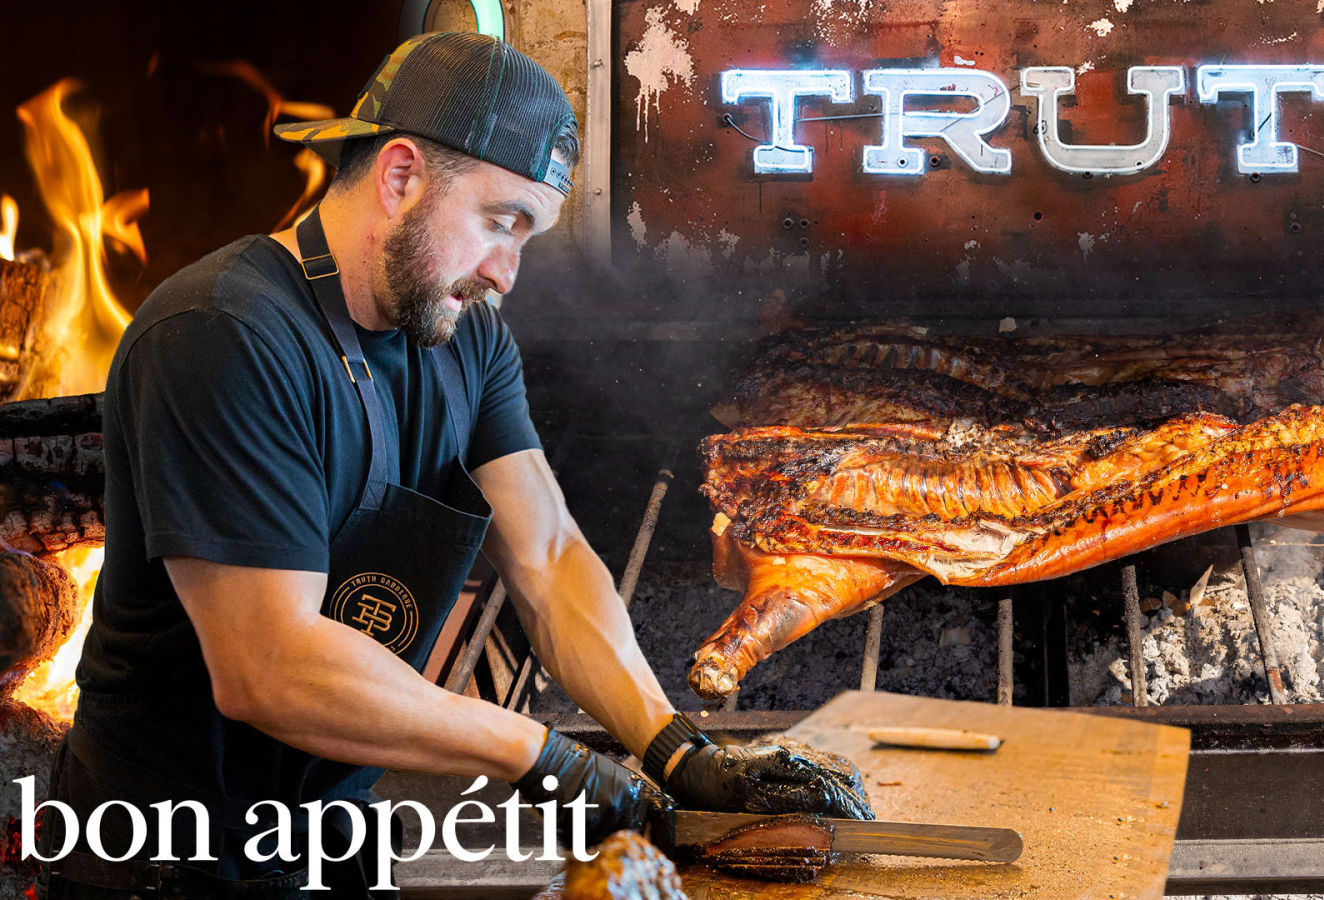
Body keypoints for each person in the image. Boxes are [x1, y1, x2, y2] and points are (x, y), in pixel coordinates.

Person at [39, 31, 866, 898]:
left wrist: (673, 748)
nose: (507, 273)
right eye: (501, 223)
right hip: (163, 859)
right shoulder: (223, 336)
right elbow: (267, 666)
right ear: (401, 178)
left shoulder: (465, 342)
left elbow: (547, 557)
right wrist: (541, 755)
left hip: (330, 842)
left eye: (528, 237)